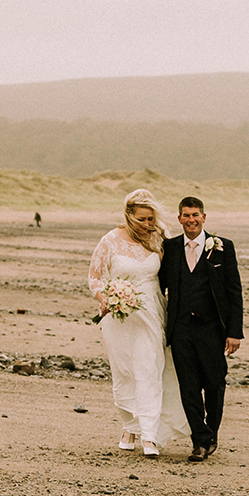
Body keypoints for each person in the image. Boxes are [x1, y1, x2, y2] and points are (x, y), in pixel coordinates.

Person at [88, 189, 190, 458]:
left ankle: (150, 434)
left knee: (149, 367)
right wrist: (106, 298)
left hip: (152, 313)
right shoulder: (110, 240)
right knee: (124, 371)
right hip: (119, 317)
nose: (148, 225)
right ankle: (129, 426)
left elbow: (176, 272)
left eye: (151, 219)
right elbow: (95, 278)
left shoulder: (158, 238)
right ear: (129, 216)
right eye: (143, 220)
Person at [158, 196, 244, 463]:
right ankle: (200, 441)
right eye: (186, 215)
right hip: (181, 329)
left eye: (195, 215)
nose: (191, 220)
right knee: (189, 387)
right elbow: (158, 285)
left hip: (212, 330)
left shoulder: (222, 248)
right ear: (179, 218)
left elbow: (234, 292)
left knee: (215, 384)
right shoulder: (170, 248)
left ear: (204, 217)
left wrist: (234, 331)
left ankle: (211, 433)